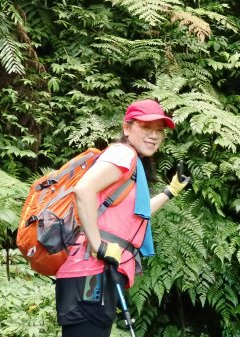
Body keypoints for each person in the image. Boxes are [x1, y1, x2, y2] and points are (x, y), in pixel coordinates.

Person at [54, 99, 189, 337]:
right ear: (127, 128)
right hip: (90, 271)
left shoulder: (132, 163)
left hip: (96, 273)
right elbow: (83, 190)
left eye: (159, 130)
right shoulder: (123, 154)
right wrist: (99, 246)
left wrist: (171, 191)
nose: (155, 136)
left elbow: (139, 213)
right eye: (147, 128)